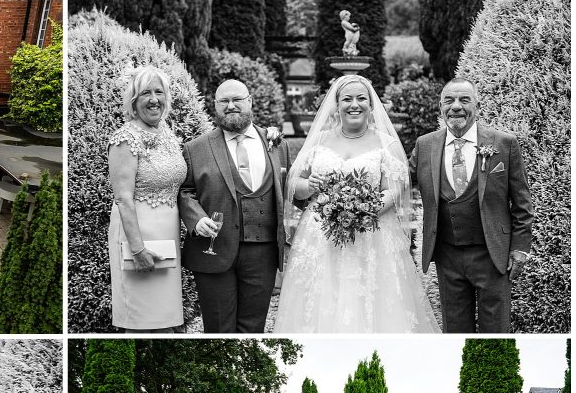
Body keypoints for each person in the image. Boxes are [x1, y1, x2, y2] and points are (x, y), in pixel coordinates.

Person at [275, 74, 439, 333]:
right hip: (321, 238)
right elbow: (294, 185)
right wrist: (312, 185)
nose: (354, 104)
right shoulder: (318, 141)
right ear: (336, 105)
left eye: (362, 98)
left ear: (371, 105)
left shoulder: (387, 144)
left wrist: (361, 210)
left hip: (372, 236)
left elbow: (394, 189)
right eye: (347, 99)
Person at [409, 79, 534, 333]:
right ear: (440, 106)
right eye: (449, 100)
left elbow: (522, 204)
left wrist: (520, 249)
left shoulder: (504, 143)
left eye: (464, 100)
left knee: (496, 332)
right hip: (447, 256)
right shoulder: (425, 145)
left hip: (493, 255)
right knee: (455, 332)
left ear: (477, 105)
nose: (456, 107)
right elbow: (398, 182)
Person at [179, 78, 294, 333]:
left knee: (253, 329)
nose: (231, 106)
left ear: (250, 102)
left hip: (262, 253)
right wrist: (196, 219)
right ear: (215, 106)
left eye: (237, 100)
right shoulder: (195, 149)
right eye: (224, 101)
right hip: (214, 249)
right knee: (218, 330)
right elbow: (184, 190)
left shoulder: (277, 144)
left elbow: (291, 188)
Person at [107, 66, 186, 333]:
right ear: (133, 101)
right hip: (137, 236)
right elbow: (123, 199)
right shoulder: (125, 138)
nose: (153, 99)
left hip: (168, 237)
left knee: (166, 318)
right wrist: (138, 250)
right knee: (141, 319)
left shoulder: (166, 132)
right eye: (145, 93)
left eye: (158, 92)